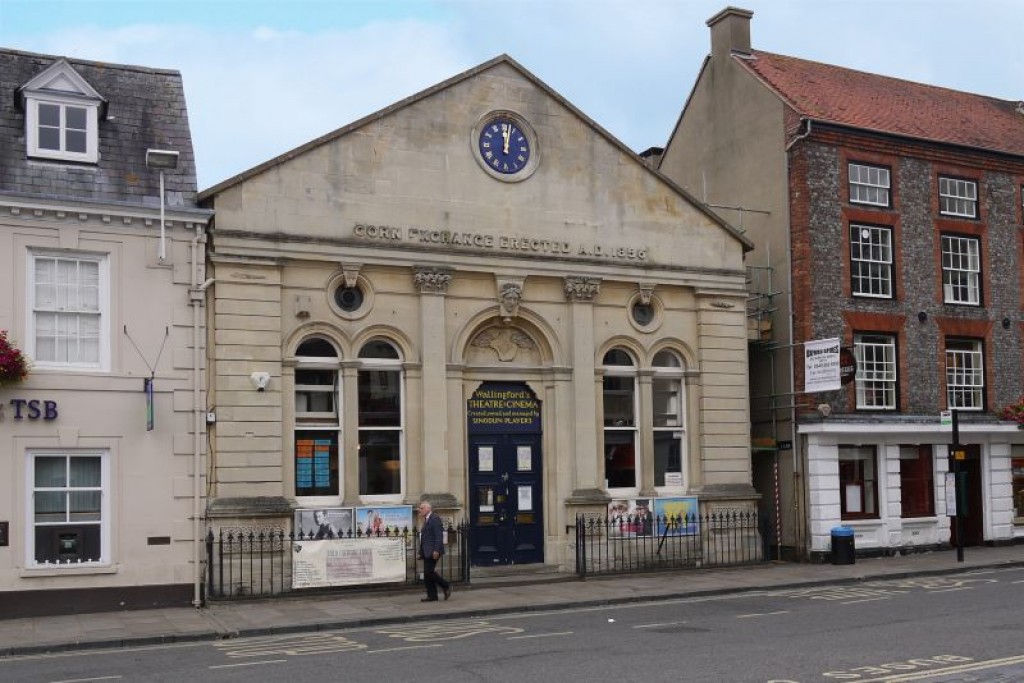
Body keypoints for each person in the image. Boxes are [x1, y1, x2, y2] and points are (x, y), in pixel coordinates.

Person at [417, 500, 451, 602]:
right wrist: (420, 552)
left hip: (434, 550)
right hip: (427, 551)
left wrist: (436, 550)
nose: (420, 510)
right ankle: (432, 596)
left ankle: (446, 585)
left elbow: (439, 536)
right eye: (420, 508)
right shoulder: (427, 519)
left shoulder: (435, 519)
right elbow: (424, 538)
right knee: (427, 574)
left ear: (428, 509)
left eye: (422, 508)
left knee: (429, 572)